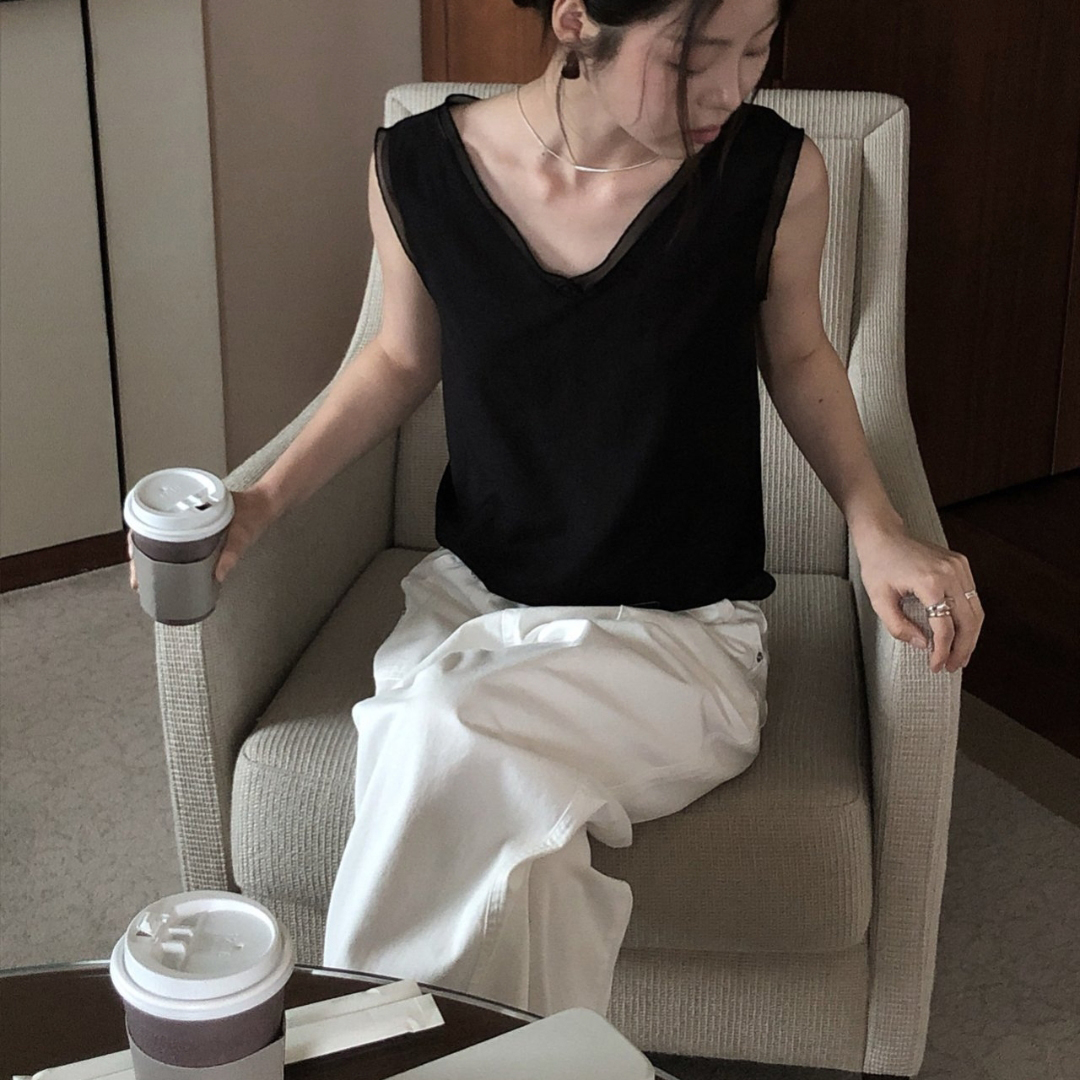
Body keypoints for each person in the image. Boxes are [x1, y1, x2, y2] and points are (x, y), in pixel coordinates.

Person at [129, 0, 984, 1017]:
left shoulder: (772, 174)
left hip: (681, 639)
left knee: (439, 735)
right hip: (472, 609)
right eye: (695, 56)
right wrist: (264, 499)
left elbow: (799, 357)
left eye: (757, 50)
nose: (731, 89)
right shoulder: (419, 167)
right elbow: (399, 359)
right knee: (468, 772)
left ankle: (366, 1049)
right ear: (578, 19)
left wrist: (876, 524)